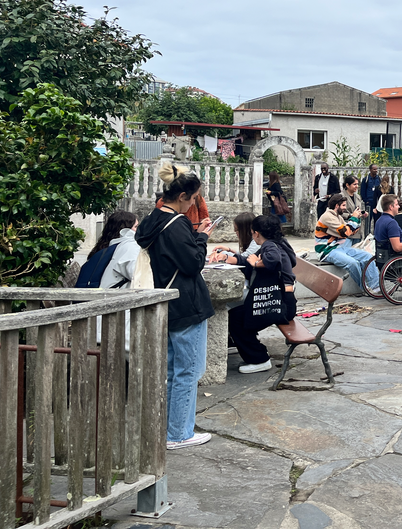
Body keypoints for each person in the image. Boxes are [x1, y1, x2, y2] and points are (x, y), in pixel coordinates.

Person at [136, 160, 215, 450]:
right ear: (182, 196)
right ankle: (180, 433)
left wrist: (194, 237)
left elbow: (171, 254)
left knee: (172, 369)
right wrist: (203, 237)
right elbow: (193, 263)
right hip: (186, 304)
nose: (193, 204)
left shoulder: (151, 219)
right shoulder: (178, 222)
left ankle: (170, 427)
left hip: (165, 303)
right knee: (188, 370)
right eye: (193, 199)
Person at [228, 215, 298, 373]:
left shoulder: (270, 246)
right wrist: (231, 258)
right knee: (237, 314)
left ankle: (259, 359)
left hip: (281, 306)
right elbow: (249, 261)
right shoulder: (278, 243)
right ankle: (256, 351)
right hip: (284, 302)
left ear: (256, 233)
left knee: (237, 319)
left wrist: (256, 263)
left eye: (252, 233)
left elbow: (271, 260)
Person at [315, 194, 379, 294]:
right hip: (326, 251)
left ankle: (376, 287)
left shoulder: (337, 217)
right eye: (343, 205)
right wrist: (353, 218)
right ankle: (364, 289)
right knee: (353, 263)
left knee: (367, 256)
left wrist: (357, 218)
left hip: (338, 247)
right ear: (337, 206)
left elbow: (351, 232)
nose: (345, 208)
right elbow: (345, 232)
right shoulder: (327, 217)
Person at [88, 210, 140, 289]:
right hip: (112, 297)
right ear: (125, 229)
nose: (138, 230)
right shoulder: (128, 247)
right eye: (135, 227)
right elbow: (137, 276)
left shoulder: (104, 248)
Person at [339, 175, 365, 243]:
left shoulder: (357, 196)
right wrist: (351, 215)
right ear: (347, 185)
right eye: (354, 184)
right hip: (347, 227)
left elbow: (359, 209)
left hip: (358, 229)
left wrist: (363, 213)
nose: (357, 186)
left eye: (357, 184)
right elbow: (338, 213)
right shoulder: (341, 196)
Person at [359, 164, 383, 235]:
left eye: (376, 169)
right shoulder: (365, 180)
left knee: (377, 221)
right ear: (370, 170)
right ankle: (367, 235)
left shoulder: (379, 179)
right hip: (369, 203)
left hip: (377, 204)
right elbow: (362, 191)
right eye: (374, 169)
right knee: (368, 221)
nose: (376, 171)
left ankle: (376, 235)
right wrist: (366, 201)